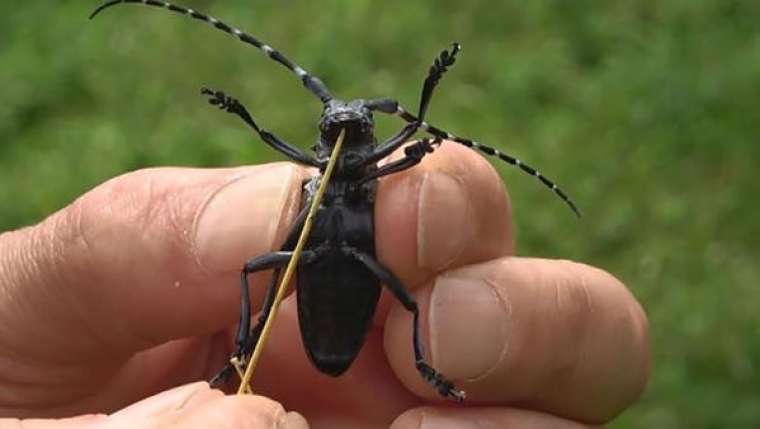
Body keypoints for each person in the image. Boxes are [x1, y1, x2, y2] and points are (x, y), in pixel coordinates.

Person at [0, 144, 649, 428]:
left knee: (403, 288)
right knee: (260, 263)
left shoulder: (373, 182)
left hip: (344, 298)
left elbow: (411, 153)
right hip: (329, 302)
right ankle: (248, 343)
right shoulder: (329, 189)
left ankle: (425, 354)